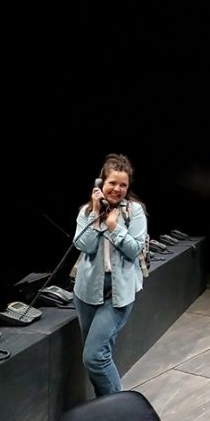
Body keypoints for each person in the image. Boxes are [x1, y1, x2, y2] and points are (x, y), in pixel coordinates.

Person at [72, 153, 148, 396]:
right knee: (98, 357)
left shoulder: (134, 212)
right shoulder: (87, 212)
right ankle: (104, 408)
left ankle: (117, 412)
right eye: (112, 183)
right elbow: (84, 246)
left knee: (94, 358)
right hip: (86, 292)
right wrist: (96, 214)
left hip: (118, 295)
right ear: (100, 183)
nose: (117, 189)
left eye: (123, 184)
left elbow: (135, 250)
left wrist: (115, 228)